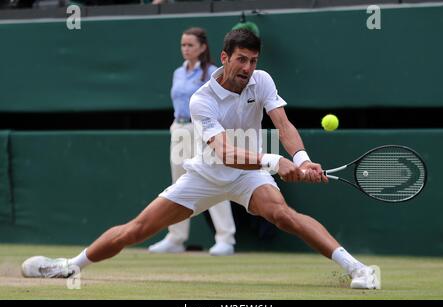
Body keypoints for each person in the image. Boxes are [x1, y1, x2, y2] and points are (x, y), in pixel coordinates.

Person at [21, 29, 380, 289]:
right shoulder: (201, 100)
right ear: (224, 58)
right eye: (241, 59)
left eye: (253, 61)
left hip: (249, 177)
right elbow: (224, 152)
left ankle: (358, 270)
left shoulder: (263, 81)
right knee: (138, 229)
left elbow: (283, 123)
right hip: (207, 175)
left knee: (284, 215)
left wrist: (301, 159)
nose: (248, 68)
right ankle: (69, 266)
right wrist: (274, 162)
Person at [148, 27, 236, 256]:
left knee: (213, 180)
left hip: (204, 131)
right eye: (183, 45)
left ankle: (226, 239)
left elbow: (222, 103)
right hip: (179, 128)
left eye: (190, 45)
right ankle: (176, 238)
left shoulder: (213, 73)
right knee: (178, 183)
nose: (185, 49)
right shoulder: (178, 73)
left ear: (202, 47)